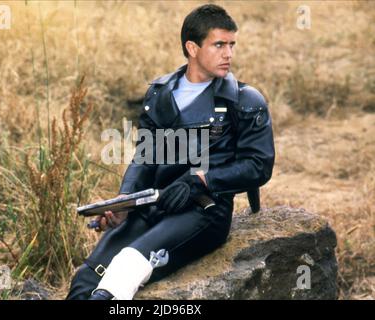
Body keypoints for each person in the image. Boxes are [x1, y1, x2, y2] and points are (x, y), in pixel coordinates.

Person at [67, 4, 275, 300]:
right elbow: (145, 156)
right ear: (192, 47)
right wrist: (125, 203)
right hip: (153, 205)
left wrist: (202, 180)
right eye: (219, 45)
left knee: (124, 270)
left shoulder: (243, 100)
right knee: (86, 279)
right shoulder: (159, 93)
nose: (228, 54)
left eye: (232, 45)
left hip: (204, 211)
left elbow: (259, 166)